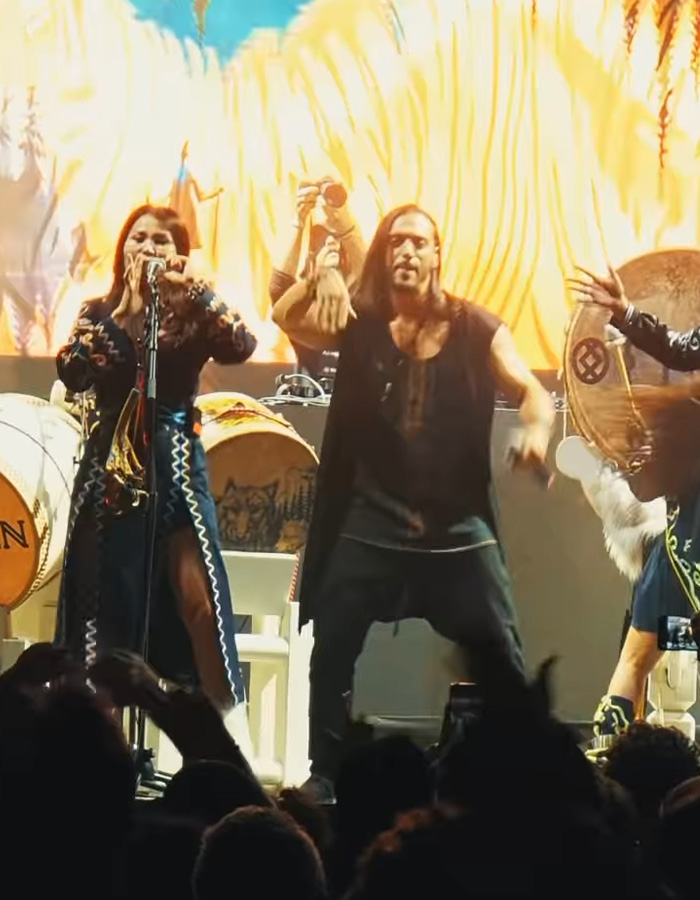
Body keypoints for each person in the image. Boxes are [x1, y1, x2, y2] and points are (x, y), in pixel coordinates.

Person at [273, 203, 555, 801]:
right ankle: (326, 769)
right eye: (396, 241)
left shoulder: (476, 327)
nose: (406, 251)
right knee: (331, 646)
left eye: (418, 243)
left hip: (456, 529)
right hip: (373, 520)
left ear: (436, 255)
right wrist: (322, 267)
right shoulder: (361, 321)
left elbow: (532, 390)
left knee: (501, 651)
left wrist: (535, 432)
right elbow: (284, 315)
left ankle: (515, 771)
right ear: (383, 253)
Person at [54, 204, 257, 740]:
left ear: (179, 253)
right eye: (139, 238)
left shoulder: (192, 318)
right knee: (103, 608)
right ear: (123, 249)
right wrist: (123, 314)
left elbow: (242, 345)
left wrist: (198, 292)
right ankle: (99, 749)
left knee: (198, 600)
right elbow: (71, 371)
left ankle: (220, 747)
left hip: (177, 474)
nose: (149, 247)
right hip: (110, 477)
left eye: (162, 241)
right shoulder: (98, 312)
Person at [570, 263, 700, 737]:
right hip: (686, 531)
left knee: (640, 654)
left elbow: (685, 353)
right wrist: (625, 312)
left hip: (684, 540)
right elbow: (685, 350)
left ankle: (611, 753)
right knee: (643, 653)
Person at [268, 177, 365, 381]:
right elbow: (279, 293)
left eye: (335, 238)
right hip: (312, 401)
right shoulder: (302, 304)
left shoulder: (360, 299)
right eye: (321, 238)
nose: (331, 243)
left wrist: (345, 224)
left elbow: (374, 281)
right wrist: (299, 221)